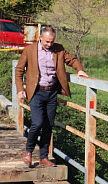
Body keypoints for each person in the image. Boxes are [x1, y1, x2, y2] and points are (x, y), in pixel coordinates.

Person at [14, 26, 88, 167]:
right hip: (36, 91)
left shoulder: (58, 49)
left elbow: (72, 60)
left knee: (49, 125)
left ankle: (43, 156)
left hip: (52, 92)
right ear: (40, 37)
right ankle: (28, 152)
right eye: (47, 41)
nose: (49, 44)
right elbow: (18, 70)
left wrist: (80, 70)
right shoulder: (30, 50)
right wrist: (19, 89)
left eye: (51, 42)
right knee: (37, 123)